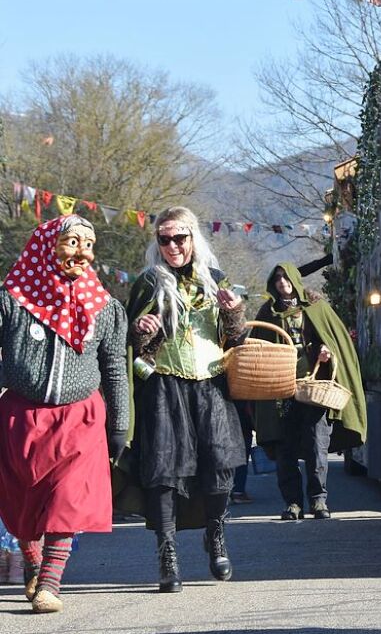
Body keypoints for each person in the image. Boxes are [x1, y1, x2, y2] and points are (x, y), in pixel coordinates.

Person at [0, 215, 129, 614]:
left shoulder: (105, 308)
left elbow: (114, 369)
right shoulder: (12, 298)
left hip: (81, 417)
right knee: (22, 501)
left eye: (88, 245)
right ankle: (33, 562)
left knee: (69, 498)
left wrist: (120, 423)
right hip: (21, 415)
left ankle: (51, 582)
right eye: (72, 242)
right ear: (46, 244)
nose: (82, 253)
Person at [127, 206, 248, 594]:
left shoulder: (215, 280)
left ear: (193, 238)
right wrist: (141, 330)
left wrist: (234, 313)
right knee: (163, 475)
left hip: (210, 385)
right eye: (165, 239)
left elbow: (236, 340)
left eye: (180, 238)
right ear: (157, 243)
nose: (173, 246)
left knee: (220, 470)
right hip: (164, 387)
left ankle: (215, 536)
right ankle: (167, 557)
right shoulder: (148, 283)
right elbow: (130, 344)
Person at [252, 263, 367, 521]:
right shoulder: (267, 313)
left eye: (285, 277)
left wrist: (325, 350)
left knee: (317, 445)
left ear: (294, 279)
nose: (282, 282)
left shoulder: (316, 307)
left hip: (313, 390)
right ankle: (292, 503)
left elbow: (337, 340)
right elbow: (255, 348)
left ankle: (318, 500)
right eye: (277, 278)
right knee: (285, 450)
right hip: (279, 393)